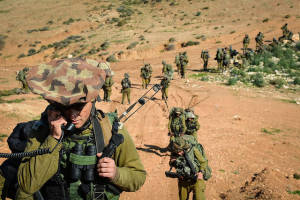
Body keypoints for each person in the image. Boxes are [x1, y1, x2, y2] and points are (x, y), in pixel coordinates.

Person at [6, 58, 146, 200]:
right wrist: (53, 138)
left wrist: (116, 174)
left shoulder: (111, 129)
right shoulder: (42, 130)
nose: (73, 115)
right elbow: (26, 186)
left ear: (93, 99)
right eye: (66, 107)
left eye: (79, 106)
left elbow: (138, 176)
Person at [167, 135, 210, 200]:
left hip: (196, 179)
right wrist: (173, 162)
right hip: (183, 181)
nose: (179, 153)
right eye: (177, 152)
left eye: (180, 151)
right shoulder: (174, 152)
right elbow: (171, 163)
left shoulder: (193, 150)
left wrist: (201, 172)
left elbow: (203, 162)